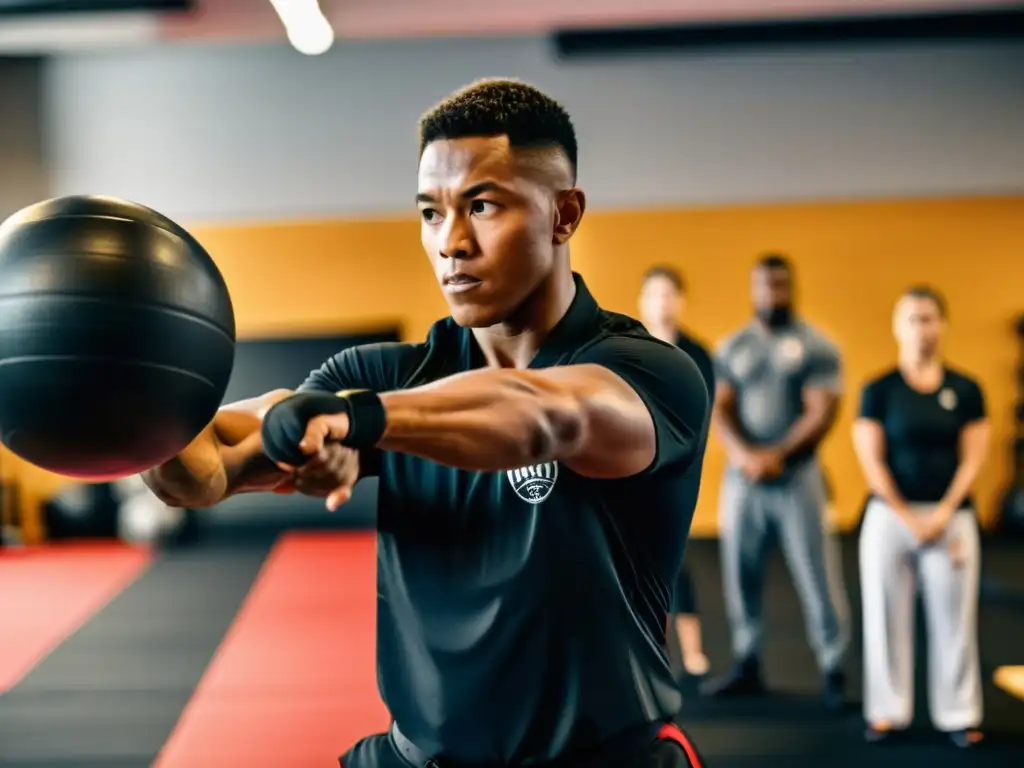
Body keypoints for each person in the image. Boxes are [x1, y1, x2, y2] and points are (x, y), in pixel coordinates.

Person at [143, 79, 711, 768]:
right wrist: (134, 402)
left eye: (482, 205)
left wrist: (359, 420)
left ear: (564, 215)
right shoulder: (387, 374)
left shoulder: (649, 374)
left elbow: (543, 415)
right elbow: (206, 471)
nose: (452, 242)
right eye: (430, 212)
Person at [701, 254, 848, 711]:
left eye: (780, 285)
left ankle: (834, 667)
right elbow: (720, 407)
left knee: (815, 571)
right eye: (764, 286)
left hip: (796, 475)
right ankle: (747, 662)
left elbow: (821, 411)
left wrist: (777, 455)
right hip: (744, 477)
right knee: (738, 571)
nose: (772, 294)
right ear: (753, 291)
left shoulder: (816, 346)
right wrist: (746, 455)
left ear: (792, 287)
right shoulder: (733, 347)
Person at [852, 286, 989, 749]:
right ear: (897, 326)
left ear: (943, 324)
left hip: (951, 519)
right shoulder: (879, 390)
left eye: (929, 318)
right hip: (891, 518)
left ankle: (960, 713)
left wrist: (945, 512)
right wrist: (908, 517)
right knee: (885, 615)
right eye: (911, 319)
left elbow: (973, 458)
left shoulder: (966, 390)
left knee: (955, 620)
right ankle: (887, 712)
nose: (921, 328)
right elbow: (872, 462)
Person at [638, 265, 714, 681]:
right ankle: (652, 648)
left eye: (670, 295)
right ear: (642, 302)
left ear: (680, 301)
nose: (663, 302)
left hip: (676, 472)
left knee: (676, 558)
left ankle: (694, 651)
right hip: (633, 472)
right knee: (637, 562)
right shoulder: (628, 348)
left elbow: (700, 416)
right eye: (655, 295)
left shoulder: (697, 355)